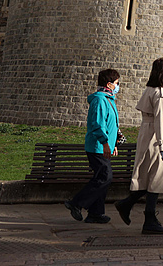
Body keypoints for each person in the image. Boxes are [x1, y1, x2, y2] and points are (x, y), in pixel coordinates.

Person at [115, 58, 163, 234]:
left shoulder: (150, 90)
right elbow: (160, 120)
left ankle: (128, 205)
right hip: (156, 137)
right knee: (156, 178)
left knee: (150, 177)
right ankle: (148, 218)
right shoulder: (159, 94)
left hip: (148, 134)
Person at [65, 68, 121, 223]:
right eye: (116, 84)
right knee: (105, 177)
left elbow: (112, 125)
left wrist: (113, 143)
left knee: (102, 177)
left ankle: (95, 213)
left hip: (103, 146)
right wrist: (104, 142)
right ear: (109, 84)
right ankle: (76, 203)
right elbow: (97, 124)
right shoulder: (100, 100)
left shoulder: (108, 99)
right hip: (97, 146)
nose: (118, 86)